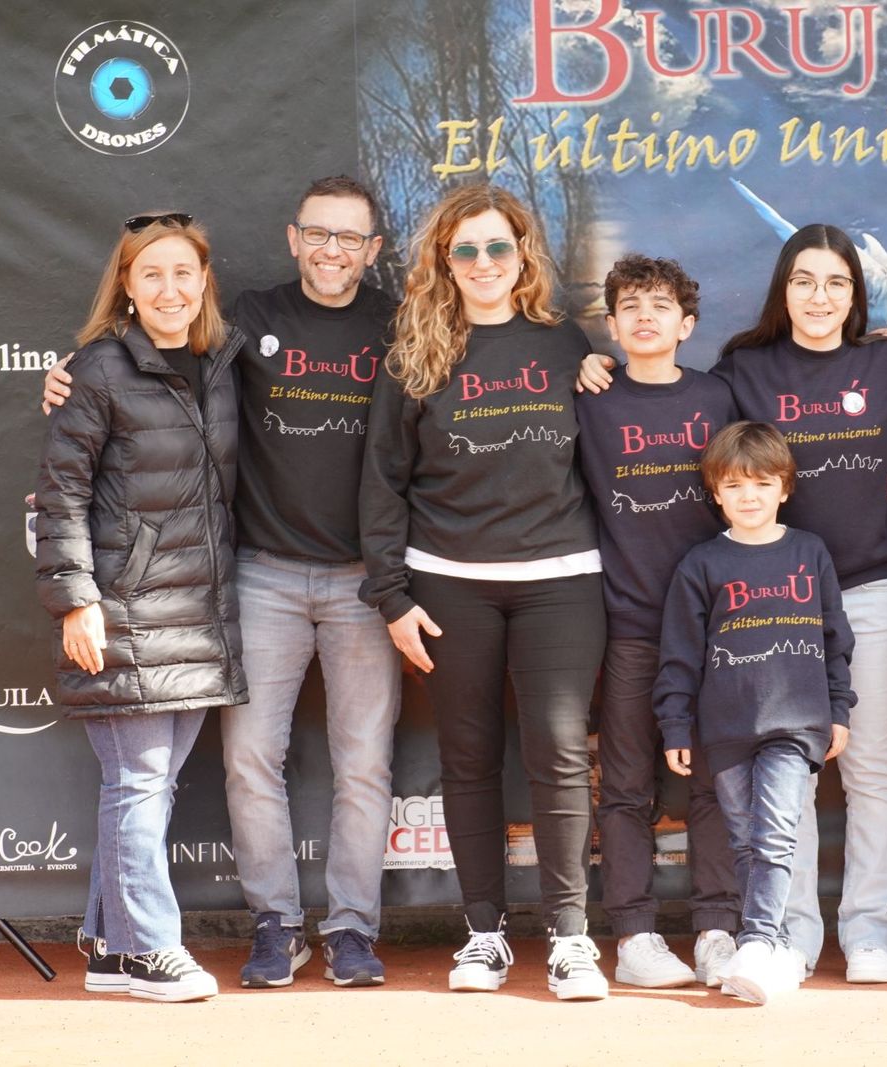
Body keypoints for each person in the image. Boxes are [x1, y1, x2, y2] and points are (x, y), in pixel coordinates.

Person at [45, 176, 403, 990]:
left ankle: (351, 928)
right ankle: (277, 924)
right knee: (248, 762)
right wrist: (65, 381)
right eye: (319, 233)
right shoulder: (245, 325)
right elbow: (135, 366)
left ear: (374, 249)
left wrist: (589, 360)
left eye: (350, 238)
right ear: (292, 237)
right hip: (261, 576)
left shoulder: (399, 324)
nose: (333, 250)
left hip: (365, 583)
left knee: (365, 764)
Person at [358, 183, 609, 1001]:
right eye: (465, 250)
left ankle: (571, 937)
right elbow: (381, 484)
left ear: (524, 255)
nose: (483, 264)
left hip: (560, 582)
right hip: (449, 585)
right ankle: (484, 934)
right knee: (468, 759)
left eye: (498, 247)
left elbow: (607, 460)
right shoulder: (415, 351)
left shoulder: (565, 343)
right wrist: (392, 597)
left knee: (561, 754)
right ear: (443, 261)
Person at [36, 211, 245, 1003]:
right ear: (126, 284)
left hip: (198, 613)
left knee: (143, 784)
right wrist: (75, 600)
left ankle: (113, 948)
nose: (170, 288)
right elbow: (60, 493)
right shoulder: (97, 367)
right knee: (139, 781)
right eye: (151, 273)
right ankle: (156, 947)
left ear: (203, 284)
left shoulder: (222, 360)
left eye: (184, 273)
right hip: (121, 606)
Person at [712, 225, 887, 983]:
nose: (820, 297)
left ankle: (870, 930)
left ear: (856, 294)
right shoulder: (745, 369)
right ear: (783, 289)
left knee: (867, 766)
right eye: (804, 281)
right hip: (776, 599)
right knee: (786, 770)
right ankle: (791, 933)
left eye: (836, 282)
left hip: (870, 588)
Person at [575, 254, 741, 988]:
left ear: (687, 323)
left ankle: (717, 928)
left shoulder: (718, 399)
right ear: (611, 326)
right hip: (630, 625)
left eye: (661, 304)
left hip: (716, 629)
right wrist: (581, 368)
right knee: (626, 787)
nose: (646, 315)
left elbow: (755, 486)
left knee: (713, 783)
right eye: (631, 305)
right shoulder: (592, 401)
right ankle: (635, 936)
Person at [654, 421, 854, 1005]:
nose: (749, 496)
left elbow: (836, 640)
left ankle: (759, 942)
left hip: (795, 725)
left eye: (762, 484)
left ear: (784, 489)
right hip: (725, 727)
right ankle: (767, 950)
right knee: (744, 843)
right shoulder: (701, 564)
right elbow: (680, 656)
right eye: (734, 485)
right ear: (715, 493)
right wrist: (674, 723)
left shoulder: (809, 552)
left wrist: (839, 708)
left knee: (775, 836)